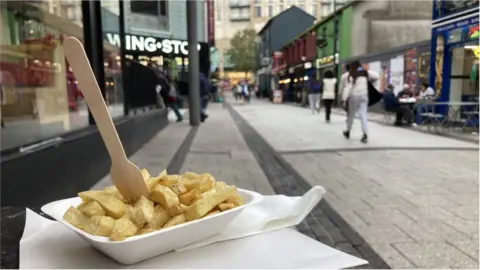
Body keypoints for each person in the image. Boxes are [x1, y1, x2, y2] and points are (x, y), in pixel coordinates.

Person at [341, 61, 378, 143]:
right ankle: (365, 134)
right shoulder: (364, 73)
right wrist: (367, 73)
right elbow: (376, 76)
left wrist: (343, 99)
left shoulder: (351, 75)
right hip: (364, 96)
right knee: (363, 115)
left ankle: (348, 131)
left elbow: (348, 88)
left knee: (351, 115)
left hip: (354, 97)